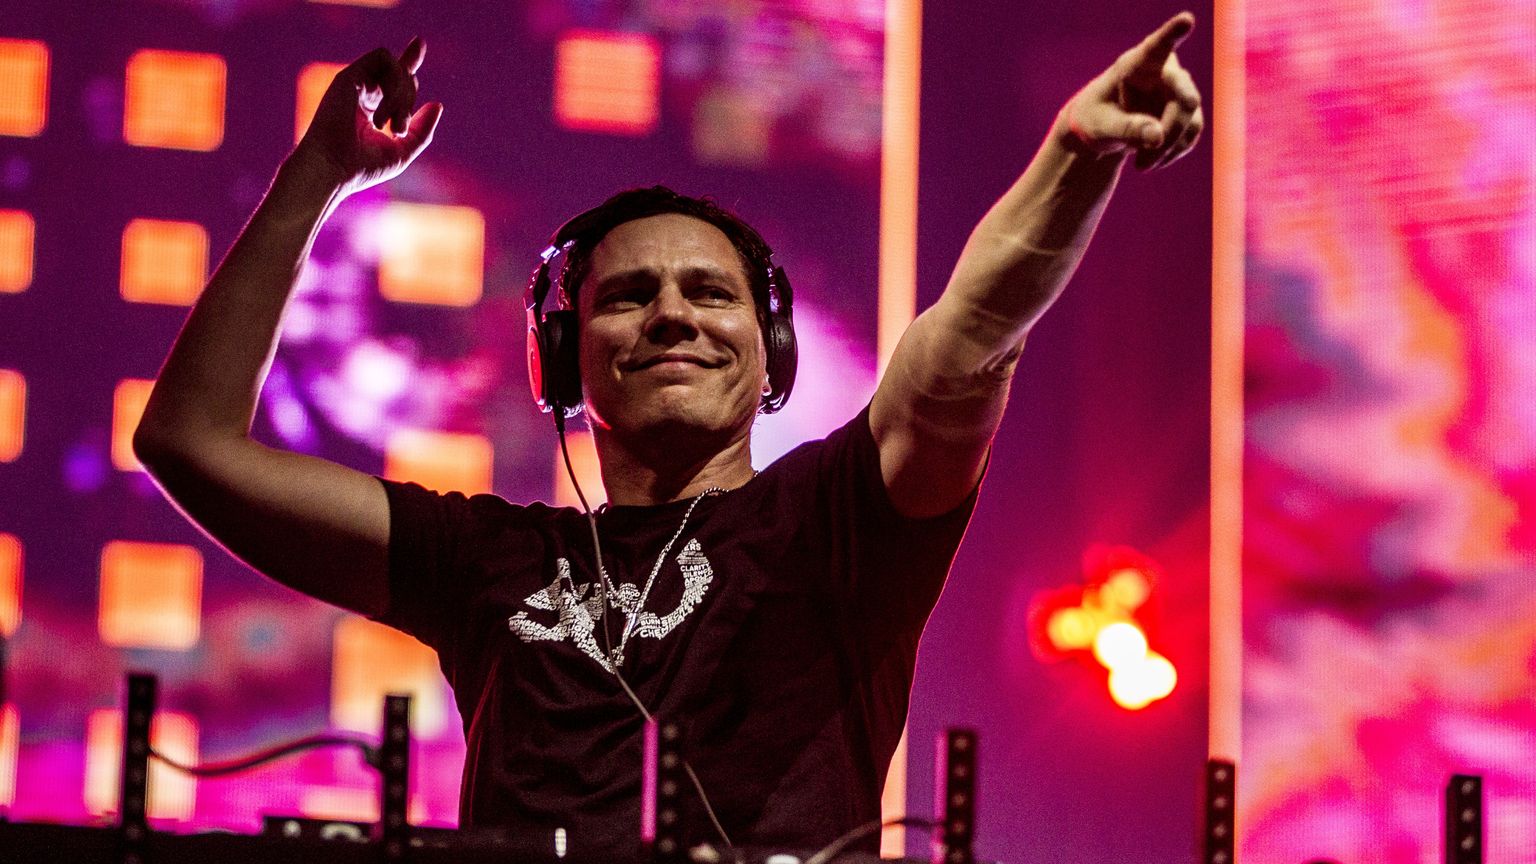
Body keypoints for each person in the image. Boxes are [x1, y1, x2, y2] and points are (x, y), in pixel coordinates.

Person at [133, 12, 1203, 858]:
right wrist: (316, 176)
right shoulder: (488, 560)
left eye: (711, 293)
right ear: (564, 361)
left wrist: (1075, 157)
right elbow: (190, 444)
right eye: (628, 296)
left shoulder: (836, 520)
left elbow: (966, 338)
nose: (673, 317)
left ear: (771, 355)